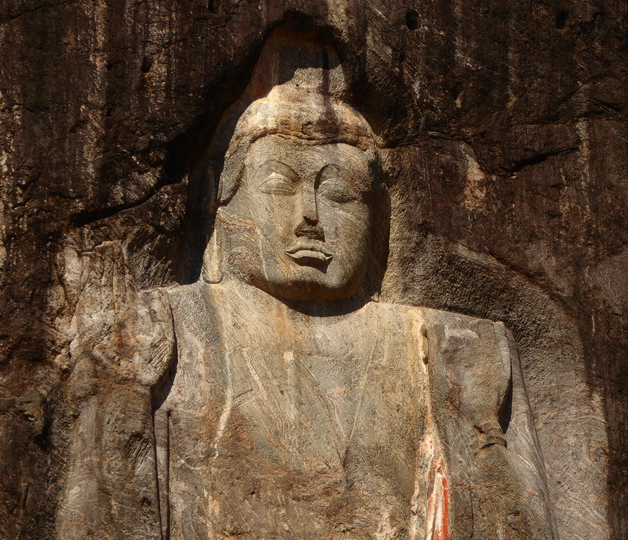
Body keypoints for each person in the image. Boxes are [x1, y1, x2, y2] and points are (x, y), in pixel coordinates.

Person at [58, 41, 555, 540]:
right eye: (279, 185)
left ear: (377, 221)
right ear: (223, 205)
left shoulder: (453, 346)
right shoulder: (158, 329)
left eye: (338, 192)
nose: (310, 216)